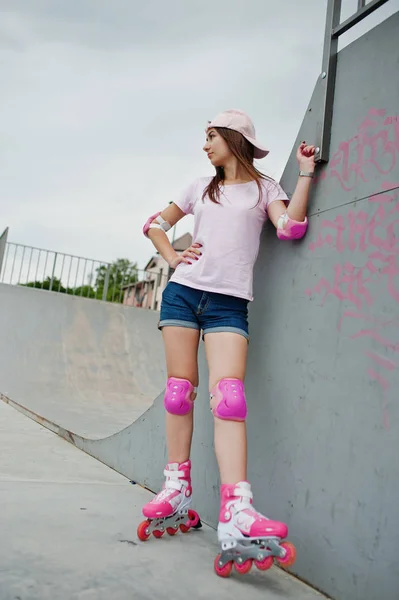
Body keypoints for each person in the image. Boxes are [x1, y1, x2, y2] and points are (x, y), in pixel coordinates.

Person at [138, 109, 316, 575]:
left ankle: (237, 507)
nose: (205, 145)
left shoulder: (264, 190)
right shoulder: (199, 187)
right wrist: (173, 255)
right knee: (180, 391)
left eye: (212, 136)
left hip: (228, 303)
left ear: (235, 139)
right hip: (183, 294)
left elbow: (291, 228)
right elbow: (152, 224)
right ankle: (176, 487)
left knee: (229, 399)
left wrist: (305, 175)